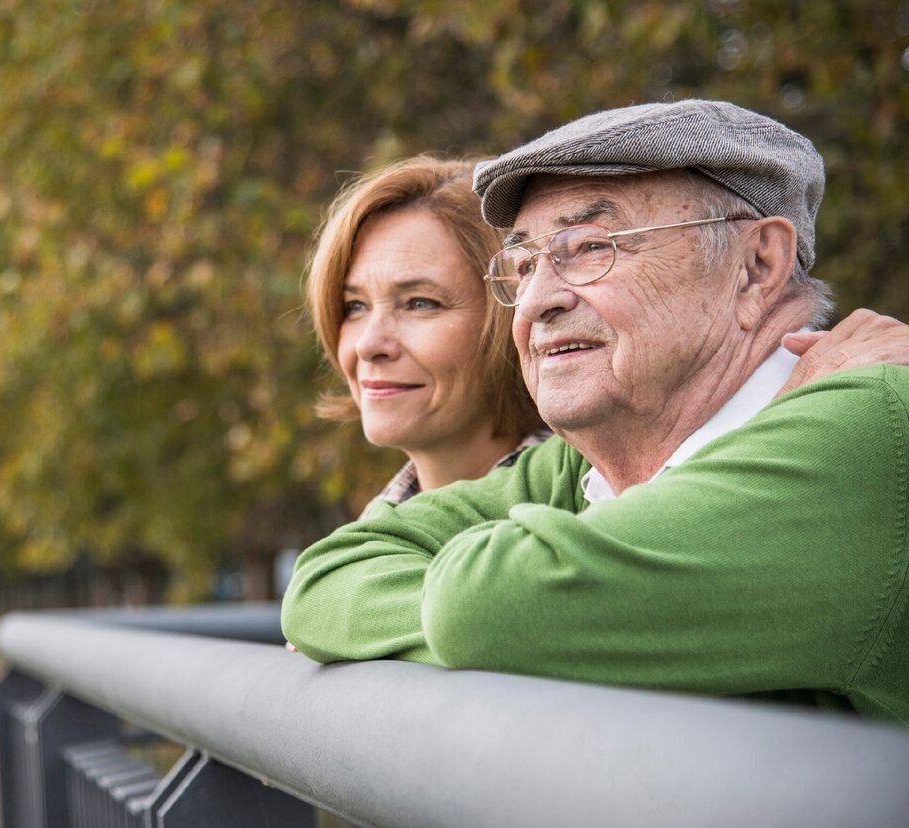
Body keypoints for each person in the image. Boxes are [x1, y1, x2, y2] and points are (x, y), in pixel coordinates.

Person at [282, 100, 909, 723]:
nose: (534, 304)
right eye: (524, 264)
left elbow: (488, 609)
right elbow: (325, 581)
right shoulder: (579, 465)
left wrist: (487, 625)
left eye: (590, 247)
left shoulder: (865, 430)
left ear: (757, 266)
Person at [306, 157, 548, 517]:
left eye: (420, 303)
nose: (369, 345)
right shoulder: (365, 543)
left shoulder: (596, 508)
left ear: (512, 311)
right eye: (355, 306)